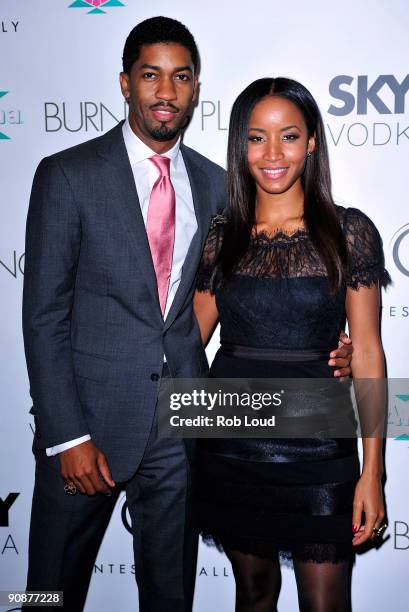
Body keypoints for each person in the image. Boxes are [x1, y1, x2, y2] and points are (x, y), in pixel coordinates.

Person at [22, 15, 353, 610]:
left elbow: (229, 303)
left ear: (197, 88)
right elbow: (43, 316)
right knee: (45, 592)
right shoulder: (66, 175)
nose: (166, 92)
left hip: (185, 430)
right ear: (126, 83)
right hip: (85, 429)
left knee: (171, 596)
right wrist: (66, 434)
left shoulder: (218, 186)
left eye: (181, 77)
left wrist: (324, 346)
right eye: (151, 75)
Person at [193, 77, 389, 612]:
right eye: (257, 138)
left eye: (289, 136)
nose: (273, 153)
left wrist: (372, 472)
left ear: (313, 143)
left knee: (326, 605)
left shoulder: (349, 233)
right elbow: (187, 342)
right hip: (231, 440)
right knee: (253, 595)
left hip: (320, 446)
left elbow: (368, 352)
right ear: (240, 145)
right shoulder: (220, 236)